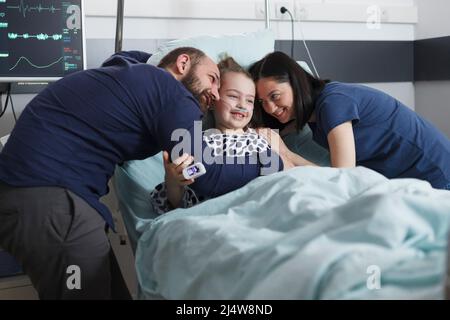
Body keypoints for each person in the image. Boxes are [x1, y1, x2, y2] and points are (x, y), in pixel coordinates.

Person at [0, 48, 275, 299]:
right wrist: (273, 165)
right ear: (182, 63)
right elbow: (203, 173)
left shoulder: (128, 75)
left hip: (40, 197)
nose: (215, 92)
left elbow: (123, 55)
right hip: (53, 201)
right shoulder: (172, 92)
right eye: (213, 78)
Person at [249, 51, 450, 190]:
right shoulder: (314, 115)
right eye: (262, 101)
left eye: (275, 96)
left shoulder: (333, 103)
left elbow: (344, 176)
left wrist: (287, 154)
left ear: (296, 83)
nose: (270, 108)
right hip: (412, 181)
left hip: (438, 177)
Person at [150, 56, 314, 214]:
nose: (242, 105)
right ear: (213, 99)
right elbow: (179, 204)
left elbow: (291, 174)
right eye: (233, 96)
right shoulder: (199, 143)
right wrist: (172, 182)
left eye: (250, 100)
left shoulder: (263, 139)